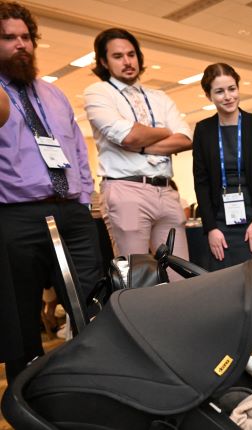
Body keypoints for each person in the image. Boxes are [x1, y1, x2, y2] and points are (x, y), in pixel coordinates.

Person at [0, 1, 103, 384]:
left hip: (71, 212)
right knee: (22, 314)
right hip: (16, 215)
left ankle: (96, 381)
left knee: (91, 301)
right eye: (9, 38)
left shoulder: (54, 94)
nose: (20, 45)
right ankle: (28, 395)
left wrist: (82, 199)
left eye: (26, 37)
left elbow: (76, 147)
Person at [83, 28, 192, 275]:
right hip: (126, 190)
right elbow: (127, 135)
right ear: (103, 61)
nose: (127, 61)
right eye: (118, 56)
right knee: (136, 277)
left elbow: (185, 138)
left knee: (181, 275)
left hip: (166, 191)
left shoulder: (160, 97)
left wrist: (139, 144)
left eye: (131, 54)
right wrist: (165, 131)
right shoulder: (98, 92)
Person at [192, 62, 252, 299]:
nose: (228, 96)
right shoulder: (203, 130)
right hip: (220, 224)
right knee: (226, 294)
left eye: (232, 89)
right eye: (219, 91)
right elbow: (200, 182)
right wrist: (210, 228)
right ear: (209, 95)